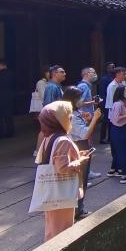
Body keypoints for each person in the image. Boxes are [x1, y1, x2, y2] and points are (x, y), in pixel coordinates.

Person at [36, 101, 90, 241]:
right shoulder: (62, 139)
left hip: (51, 192)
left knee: (52, 227)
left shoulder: (49, 137)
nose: (70, 117)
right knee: (61, 230)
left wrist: (76, 155)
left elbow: (53, 159)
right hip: (62, 192)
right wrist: (80, 161)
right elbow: (63, 168)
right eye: (68, 115)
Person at [62, 86, 102, 219]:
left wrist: (88, 119)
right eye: (79, 98)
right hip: (79, 146)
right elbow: (84, 134)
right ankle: (78, 210)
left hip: (77, 145)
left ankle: (76, 209)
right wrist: (95, 118)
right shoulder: (72, 115)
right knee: (80, 180)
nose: (81, 100)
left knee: (80, 179)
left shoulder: (72, 112)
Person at [108, 86, 126, 183]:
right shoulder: (118, 104)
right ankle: (124, 175)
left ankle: (114, 169)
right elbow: (116, 119)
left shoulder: (123, 102)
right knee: (123, 152)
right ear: (121, 92)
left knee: (117, 152)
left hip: (120, 130)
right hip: (119, 130)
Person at [104, 67, 126, 173]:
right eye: (123, 74)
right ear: (117, 74)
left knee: (120, 143)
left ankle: (115, 166)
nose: (125, 75)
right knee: (116, 143)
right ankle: (118, 167)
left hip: (122, 116)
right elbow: (112, 104)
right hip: (115, 118)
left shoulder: (121, 84)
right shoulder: (112, 86)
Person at [98, 62, 115, 144]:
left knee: (111, 120)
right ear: (108, 69)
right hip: (106, 103)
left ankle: (110, 138)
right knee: (105, 121)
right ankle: (103, 138)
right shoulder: (104, 79)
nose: (114, 69)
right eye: (112, 67)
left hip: (112, 102)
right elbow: (102, 93)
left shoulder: (113, 78)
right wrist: (103, 104)